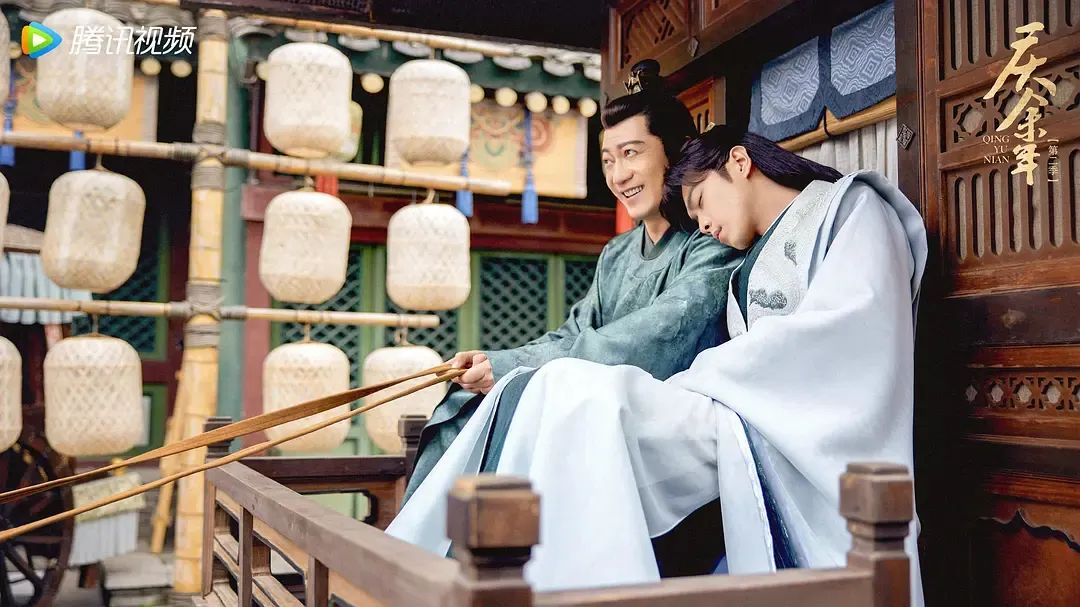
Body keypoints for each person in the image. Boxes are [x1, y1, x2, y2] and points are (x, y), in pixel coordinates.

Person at [387, 125, 927, 606]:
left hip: (794, 431)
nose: (703, 224)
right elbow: (583, 334)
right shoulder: (724, 263)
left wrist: (707, 377)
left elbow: (852, 329)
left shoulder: (853, 208)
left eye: (701, 201)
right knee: (552, 385)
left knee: (582, 394)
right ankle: (483, 575)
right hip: (737, 413)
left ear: (740, 162)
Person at [401, 60, 741, 517]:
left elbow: (650, 341)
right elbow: (573, 333)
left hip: (663, 429)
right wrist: (497, 361)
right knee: (465, 402)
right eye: (608, 160)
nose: (619, 175)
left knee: (524, 403)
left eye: (632, 153)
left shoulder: (711, 242)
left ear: (674, 152)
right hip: (593, 408)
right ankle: (432, 548)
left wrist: (515, 368)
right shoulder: (617, 253)